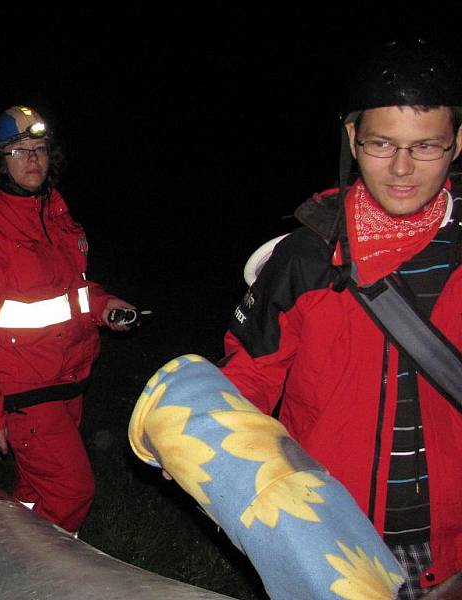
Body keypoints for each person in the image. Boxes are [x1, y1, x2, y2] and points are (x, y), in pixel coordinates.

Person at [220, 39, 462, 599]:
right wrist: (205, 436)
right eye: (381, 144)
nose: (401, 169)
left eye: (425, 146)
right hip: (331, 533)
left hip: (454, 546)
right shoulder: (306, 257)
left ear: (456, 145)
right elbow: (247, 378)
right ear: (352, 139)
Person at [0, 105, 134, 533]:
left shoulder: (59, 218)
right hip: (24, 390)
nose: (32, 159)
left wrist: (103, 307)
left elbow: (69, 295)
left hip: (67, 378)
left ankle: (4, 548)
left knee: (35, 488)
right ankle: (44, 575)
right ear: (1, 163)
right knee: (71, 491)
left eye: (40, 149)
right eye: (18, 150)